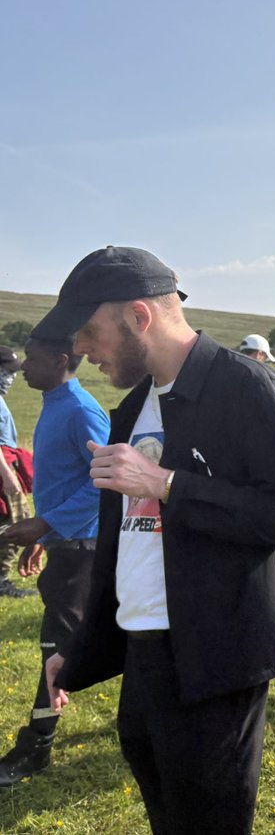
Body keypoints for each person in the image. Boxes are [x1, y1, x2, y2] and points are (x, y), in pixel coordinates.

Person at [40, 246, 275, 835]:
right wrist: (83, 646)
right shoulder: (130, 410)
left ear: (140, 317)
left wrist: (168, 484)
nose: (82, 352)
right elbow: (127, 548)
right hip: (146, 656)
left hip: (217, 657)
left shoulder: (247, 386)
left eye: (90, 332)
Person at [0, 336, 109, 786]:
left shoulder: (82, 410)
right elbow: (67, 480)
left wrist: (46, 524)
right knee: (61, 646)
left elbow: (105, 483)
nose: (23, 366)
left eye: (33, 357)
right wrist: (47, 534)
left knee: (56, 649)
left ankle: (37, 748)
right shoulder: (53, 403)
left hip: (85, 554)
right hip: (67, 545)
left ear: (61, 360)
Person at [0, 344, 34, 598]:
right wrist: (8, 476)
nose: (10, 378)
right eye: (5, 372)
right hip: (3, 470)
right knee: (15, 523)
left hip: (7, 466)